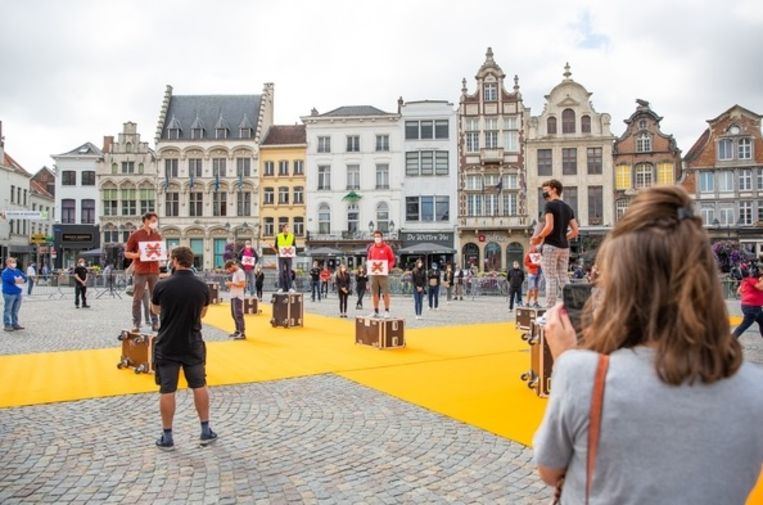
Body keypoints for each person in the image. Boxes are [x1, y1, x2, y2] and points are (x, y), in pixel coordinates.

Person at [533, 186, 762, 504]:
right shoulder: (755, 389)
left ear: (621, 285)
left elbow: (549, 470)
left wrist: (565, 360)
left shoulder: (584, 373)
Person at [150, 246, 217, 451]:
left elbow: (155, 310)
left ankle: (167, 435)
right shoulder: (202, 287)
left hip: (168, 343)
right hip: (192, 342)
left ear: (175, 260)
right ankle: (205, 430)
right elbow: (203, 314)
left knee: (167, 389)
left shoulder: (162, 285)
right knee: (199, 385)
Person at [530, 179, 579, 308]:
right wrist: (563, 237)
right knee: (563, 277)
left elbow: (549, 227)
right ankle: (571, 305)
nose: (544, 193)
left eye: (546, 190)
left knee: (550, 278)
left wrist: (539, 238)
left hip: (550, 246)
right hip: (564, 247)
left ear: (554, 189)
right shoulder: (568, 208)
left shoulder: (549, 205)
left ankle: (549, 309)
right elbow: (575, 231)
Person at [124, 212, 162, 332]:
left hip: (154, 270)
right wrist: (137, 255)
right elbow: (126, 253)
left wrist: (163, 254)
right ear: (146, 220)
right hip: (141, 270)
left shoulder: (157, 235)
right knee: (137, 298)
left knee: (155, 298)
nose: (155, 223)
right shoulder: (135, 235)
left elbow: (159, 251)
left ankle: (155, 322)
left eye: (156, 221)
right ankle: (136, 323)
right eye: (153, 220)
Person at [367, 230, 396, 318]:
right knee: (374, 293)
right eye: (375, 236)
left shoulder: (387, 248)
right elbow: (369, 259)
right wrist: (368, 266)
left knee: (386, 293)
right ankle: (376, 311)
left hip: (384, 274)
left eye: (378, 236)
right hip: (374, 274)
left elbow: (392, 260)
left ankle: (387, 310)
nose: (377, 238)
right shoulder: (371, 248)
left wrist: (388, 268)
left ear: (382, 237)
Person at [731, 266, 763, 338]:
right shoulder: (751, 280)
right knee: (744, 325)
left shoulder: (746, 280)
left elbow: (738, 292)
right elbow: (761, 287)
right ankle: (731, 340)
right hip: (752, 308)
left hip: (753, 307)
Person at [2, 257, 26, 331]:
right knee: (8, 310)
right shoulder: (5, 272)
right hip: (9, 293)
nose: (13, 263)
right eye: (11, 262)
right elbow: (11, 280)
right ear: (7, 263)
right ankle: (7, 325)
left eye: (14, 262)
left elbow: (25, 278)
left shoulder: (17, 270)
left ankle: (15, 323)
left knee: (15, 310)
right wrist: (18, 280)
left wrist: (20, 280)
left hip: (18, 293)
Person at [271, 224, 296, 293]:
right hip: (281, 257)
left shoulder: (292, 236)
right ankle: (281, 287)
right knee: (281, 272)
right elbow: (276, 246)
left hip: (289, 257)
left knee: (289, 272)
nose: (287, 229)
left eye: (288, 227)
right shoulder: (278, 236)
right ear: (283, 228)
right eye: (286, 227)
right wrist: (276, 251)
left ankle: (290, 287)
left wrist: (292, 253)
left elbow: (294, 246)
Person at [224, 260, 246, 340]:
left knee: (238, 314)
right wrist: (230, 285)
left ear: (232, 265)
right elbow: (237, 284)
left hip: (238, 296)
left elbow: (243, 284)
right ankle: (237, 331)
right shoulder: (235, 273)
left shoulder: (240, 272)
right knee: (234, 314)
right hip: (233, 296)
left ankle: (242, 333)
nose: (229, 271)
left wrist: (231, 284)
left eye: (229, 269)